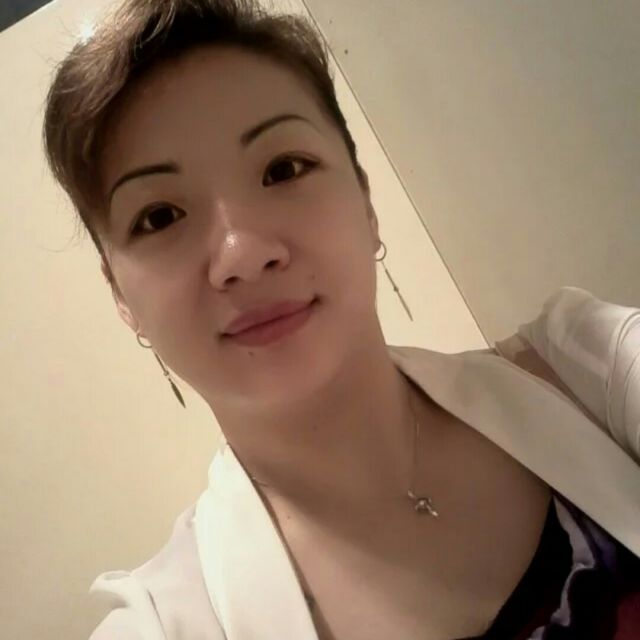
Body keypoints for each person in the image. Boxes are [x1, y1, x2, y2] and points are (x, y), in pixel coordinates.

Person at [42, 0, 640, 638]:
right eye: (159, 216)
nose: (243, 255)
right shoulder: (163, 625)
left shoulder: (589, 371)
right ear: (121, 297)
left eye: (283, 169)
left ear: (366, 203)